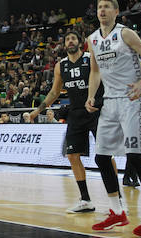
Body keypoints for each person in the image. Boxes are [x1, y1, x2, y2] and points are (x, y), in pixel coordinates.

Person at [86, 0, 141, 237]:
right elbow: (94, 71)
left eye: (106, 7)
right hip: (109, 103)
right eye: (99, 7)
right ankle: (117, 211)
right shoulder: (92, 39)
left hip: (132, 101)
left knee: (134, 157)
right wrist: (91, 96)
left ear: (116, 11)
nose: (102, 10)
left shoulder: (126, 34)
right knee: (102, 158)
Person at [32, 30, 102, 213]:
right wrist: (37, 111)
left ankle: (116, 196)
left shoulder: (90, 58)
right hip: (76, 113)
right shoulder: (60, 66)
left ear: (80, 42)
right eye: (67, 39)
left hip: (96, 111)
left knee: (104, 155)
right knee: (72, 156)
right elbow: (55, 92)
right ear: (64, 45)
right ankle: (85, 199)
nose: (70, 41)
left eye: (73, 38)